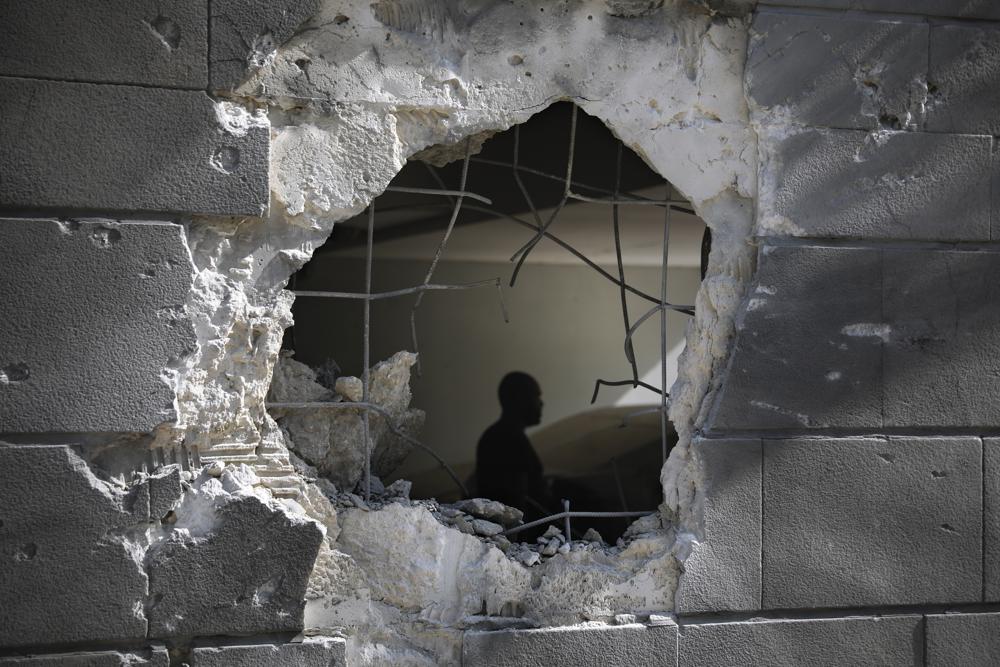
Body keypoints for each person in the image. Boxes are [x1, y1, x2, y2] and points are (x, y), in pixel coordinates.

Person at [475, 371, 551, 516]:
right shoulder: (507, 439)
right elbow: (517, 500)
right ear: (521, 399)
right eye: (536, 396)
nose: (541, 403)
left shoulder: (502, 436)